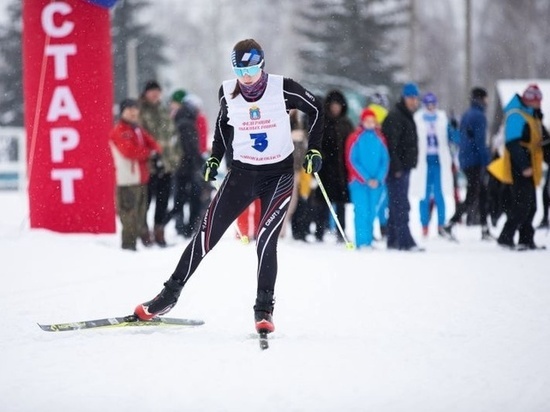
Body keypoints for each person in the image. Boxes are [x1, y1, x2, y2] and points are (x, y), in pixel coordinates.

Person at [133, 39, 324, 336]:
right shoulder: (227, 91)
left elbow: (317, 108)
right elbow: (224, 125)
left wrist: (314, 149)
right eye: (239, 70)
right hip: (242, 174)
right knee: (205, 236)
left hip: (279, 175)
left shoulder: (283, 87)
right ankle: (168, 296)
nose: (245, 77)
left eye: (250, 69)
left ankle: (263, 309)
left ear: (261, 65)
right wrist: (214, 158)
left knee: (265, 239)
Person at [491, 84, 549, 250]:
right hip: (519, 167)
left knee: (532, 206)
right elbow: (513, 144)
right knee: (522, 205)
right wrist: (524, 166)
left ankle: (526, 239)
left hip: (531, 165)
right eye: (537, 101)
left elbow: (543, 141)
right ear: (530, 101)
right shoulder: (517, 116)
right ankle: (505, 237)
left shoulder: (533, 116)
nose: (540, 104)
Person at [109, 99, 161, 251]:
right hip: (127, 180)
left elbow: (152, 143)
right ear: (122, 112)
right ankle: (128, 247)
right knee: (129, 216)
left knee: (139, 215)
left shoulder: (136, 129)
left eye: (135, 109)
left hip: (140, 178)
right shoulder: (120, 130)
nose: (133, 112)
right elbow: (129, 152)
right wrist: (150, 153)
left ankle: (134, 246)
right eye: (129, 109)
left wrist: (154, 150)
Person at [442, 87, 491, 240]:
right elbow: (479, 142)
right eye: (486, 98)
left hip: (466, 159)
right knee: (473, 195)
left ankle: (484, 228)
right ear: (481, 99)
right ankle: (450, 223)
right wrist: (486, 161)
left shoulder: (467, 114)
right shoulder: (479, 116)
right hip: (475, 161)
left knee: (482, 194)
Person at [381, 82, 423, 251]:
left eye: (415, 98)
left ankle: (393, 240)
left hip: (403, 168)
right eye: (411, 98)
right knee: (401, 205)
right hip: (397, 170)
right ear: (404, 98)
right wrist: (397, 167)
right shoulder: (396, 116)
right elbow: (391, 145)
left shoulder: (405, 115)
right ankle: (405, 241)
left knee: (395, 205)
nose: (414, 101)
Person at [139, 80, 181, 247]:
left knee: (163, 201)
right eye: (152, 91)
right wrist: (151, 155)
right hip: (149, 164)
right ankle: (144, 232)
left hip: (167, 164)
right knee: (146, 201)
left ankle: (159, 231)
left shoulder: (164, 110)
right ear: (146, 93)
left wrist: (176, 157)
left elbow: (173, 134)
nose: (155, 94)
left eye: (157, 91)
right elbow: (140, 135)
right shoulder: (140, 111)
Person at [163, 89, 206, 238]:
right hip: (188, 167)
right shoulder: (188, 124)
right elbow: (191, 148)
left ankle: (177, 225)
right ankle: (188, 227)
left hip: (179, 167)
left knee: (179, 199)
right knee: (193, 198)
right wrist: (200, 162)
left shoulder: (178, 121)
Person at [312, 89, 354, 243]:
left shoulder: (347, 123)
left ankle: (341, 231)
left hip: (341, 170)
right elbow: (316, 143)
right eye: (333, 104)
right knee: (322, 203)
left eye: (338, 105)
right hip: (325, 168)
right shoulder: (323, 122)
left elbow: (351, 146)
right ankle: (319, 232)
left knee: (341, 203)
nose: (336, 108)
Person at [345, 108, 389, 249]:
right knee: (361, 212)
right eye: (367, 121)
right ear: (362, 121)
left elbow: (385, 160)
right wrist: (365, 178)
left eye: (372, 121)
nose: (370, 123)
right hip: (358, 183)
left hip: (376, 184)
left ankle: (369, 241)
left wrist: (379, 178)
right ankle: (362, 241)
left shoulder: (380, 138)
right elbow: (352, 160)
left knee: (372, 212)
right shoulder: (355, 137)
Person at [412, 92, 453, 237]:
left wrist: (454, 130)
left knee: (439, 194)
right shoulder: (417, 119)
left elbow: (452, 136)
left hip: (439, 160)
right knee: (423, 193)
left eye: (433, 105)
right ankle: (424, 224)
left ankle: (440, 224)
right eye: (428, 105)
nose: (430, 108)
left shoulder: (442, 118)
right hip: (424, 160)